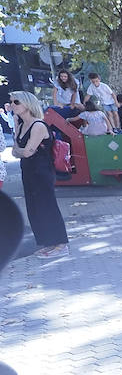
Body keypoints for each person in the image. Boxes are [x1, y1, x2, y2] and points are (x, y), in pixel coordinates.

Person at [8, 91, 69, 257]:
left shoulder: (38, 126)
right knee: (34, 208)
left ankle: (61, 244)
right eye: (12, 102)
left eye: (16, 102)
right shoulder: (21, 126)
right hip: (27, 170)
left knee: (47, 206)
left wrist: (21, 151)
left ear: (27, 104)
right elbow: (16, 150)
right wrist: (21, 150)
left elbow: (27, 151)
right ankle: (48, 242)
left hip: (42, 171)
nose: (13, 105)